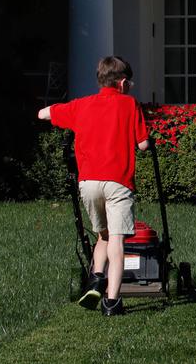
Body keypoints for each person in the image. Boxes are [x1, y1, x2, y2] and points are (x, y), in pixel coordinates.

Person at [38, 56, 150, 315]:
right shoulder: (129, 105)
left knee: (103, 235)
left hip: (88, 182)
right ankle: (111, 302)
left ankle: (97, 277)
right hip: (118, 181)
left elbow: (44, 113)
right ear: (122, 84)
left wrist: (52, 111)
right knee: (118, 240)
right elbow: (143, 144)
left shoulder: (82, 105)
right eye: (129, 83)